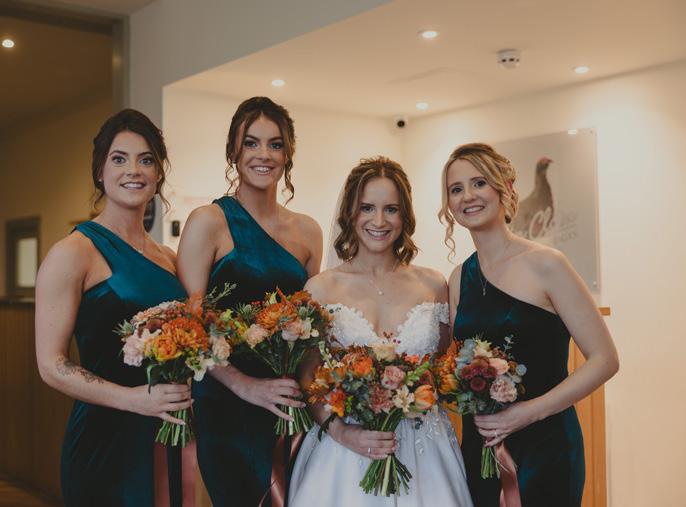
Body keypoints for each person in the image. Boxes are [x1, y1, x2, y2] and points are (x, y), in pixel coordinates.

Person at [441, 143, 619, 506]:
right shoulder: (459, 278)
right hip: (481, 448)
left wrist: (527, 412)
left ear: (504, 188)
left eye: (479, 183)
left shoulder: (547, 265)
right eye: (456, 189)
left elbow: (605, 359)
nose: (467, 196)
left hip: (546, 446)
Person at [289, 157, 474, 507]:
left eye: (391, 209)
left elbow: (443, 370)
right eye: (367, 208)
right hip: (345, 450)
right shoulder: (321, 288)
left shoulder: (434, 285)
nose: (379, 221)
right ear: (350, 213)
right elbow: (308, 378)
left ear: (405, 216)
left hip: (425, 450)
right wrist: (342, 432)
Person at [35, 109, 191, 506]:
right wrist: (134, 399)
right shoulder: (73, 252)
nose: (133, 170)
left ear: (158, 174)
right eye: (119, 159)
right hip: (104, 438)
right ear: (100, 172)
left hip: (165, 432)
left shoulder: (168, 258)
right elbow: (51, 364)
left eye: (146, 160)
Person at [176, 96, 323, 505]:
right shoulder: (208, 222)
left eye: (275, 144)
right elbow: (190, 326)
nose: (264, 155)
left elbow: (313, 327)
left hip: (289, 401)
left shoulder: (308, 231)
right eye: (251, 143)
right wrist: (244, 385)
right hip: (226, 405)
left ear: (288, 154)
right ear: (233, 152)